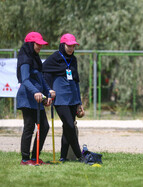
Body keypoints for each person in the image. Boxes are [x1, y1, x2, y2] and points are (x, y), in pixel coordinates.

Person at [42, 33, 84, 162]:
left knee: (67, 129)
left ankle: (63, 157)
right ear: (62, 45)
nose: (71, 48)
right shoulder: (54, 58)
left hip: (73, 99)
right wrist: (48, 91)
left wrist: (79, 102)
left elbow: (76, 81)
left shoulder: (73, 60)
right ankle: (80, 156)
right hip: (60, 99)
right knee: (70, 126)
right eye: (69, 46)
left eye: (73, 46)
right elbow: (44, 74)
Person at [16, 32, 55, 165]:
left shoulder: (36, 59)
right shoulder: (25, 59)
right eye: (38, 44)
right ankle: (25, 159)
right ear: (30, 44)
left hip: (37, 98)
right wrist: (35, 92)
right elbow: (25, 80)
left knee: (44, 127)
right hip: (27, 98)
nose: (40, 46)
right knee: (29, 127)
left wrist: (48, 93)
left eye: (41, 44)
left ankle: (35, 157)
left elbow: (41, 79)